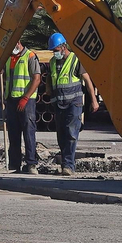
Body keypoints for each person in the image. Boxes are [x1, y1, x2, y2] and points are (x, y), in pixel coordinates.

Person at [45, 32, 98, 175]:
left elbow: (87, 81)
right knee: (61, 135)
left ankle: (69, 166)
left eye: (55, 51)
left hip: (73, 103)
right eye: (53, 51)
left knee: (71, 134)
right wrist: (48, 90)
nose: (54, 53)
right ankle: (65, 164)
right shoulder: (52, 62)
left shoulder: (75, 60)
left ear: (63, 47)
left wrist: (94, 100)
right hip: (58, 104)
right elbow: (50, 78)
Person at [1, 41, 41, 173]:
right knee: (13, 133)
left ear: (18, 43)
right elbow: (6, 77)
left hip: (26, 100)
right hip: (12, 99)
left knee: (28, 131)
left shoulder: (30, 56)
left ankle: (31, 164)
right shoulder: (8, 58)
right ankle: (14, 164)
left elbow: (36, 79)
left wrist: (26, 97)